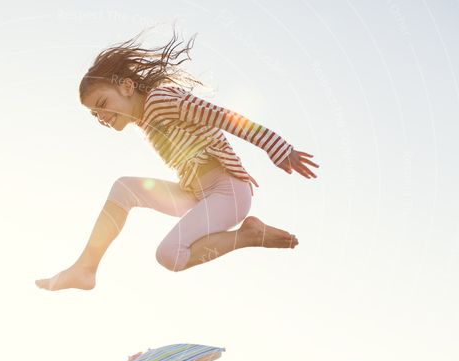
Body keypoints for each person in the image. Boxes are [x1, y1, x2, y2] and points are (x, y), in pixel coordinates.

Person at [35, 28, 318, 291]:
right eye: (95, 115)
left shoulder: (162, 99)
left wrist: (278, 148)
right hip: (196, 194)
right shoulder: (145, 119)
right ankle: (86, 268)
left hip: (227, 193)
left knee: (170, 255)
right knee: (124, 188)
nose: (103, 118)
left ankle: (247, 236)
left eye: (103, 105)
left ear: (126, 87)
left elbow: (223, 118)